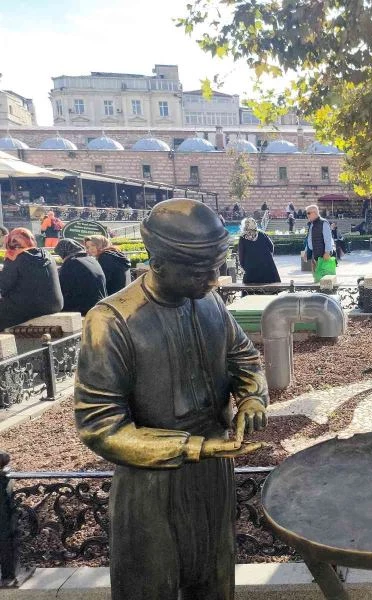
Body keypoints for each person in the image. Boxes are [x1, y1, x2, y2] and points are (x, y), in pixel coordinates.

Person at [74, 198, 268, 600]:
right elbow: (99, 425)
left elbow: (243, 357)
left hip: (213, 476)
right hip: (150, 483)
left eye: (217, 268)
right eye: (202, 271)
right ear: (159, 262)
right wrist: (193, 447)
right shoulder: (111, 321)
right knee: (150, 586)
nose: (214, 281)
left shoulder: (210, 301)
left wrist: (252, 398)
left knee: (215, 582)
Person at [0, 228, 63, 330]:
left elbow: (4, 286)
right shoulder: (46, 254)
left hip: (30, 306)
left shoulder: (14, 256)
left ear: (11, 241)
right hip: (55, 304)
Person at [53, 239, 107, 316]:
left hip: (82, 309)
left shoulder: (71, 262)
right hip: (99, 305)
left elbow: (61, 288)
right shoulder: (91, 259)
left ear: (64, 252)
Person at [238, 217, 281, 284]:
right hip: (266, 266)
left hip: (251, 268)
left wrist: (243, 265)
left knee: (250, 288)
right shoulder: (262, 234)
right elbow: (271, 246)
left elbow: (241, 254)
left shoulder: (243, 238)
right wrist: (269, 258)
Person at [304, 204, 334, 269]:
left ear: (315, 213)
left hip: (323, 255)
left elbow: (328, 239)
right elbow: (309, 238)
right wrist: (306, 251)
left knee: (324, 276)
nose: (307, 215)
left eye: (308, 213)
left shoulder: (323, 223)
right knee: (316, 276)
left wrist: (327, 252)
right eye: (306, 213)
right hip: (314, 254)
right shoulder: (311, 224)